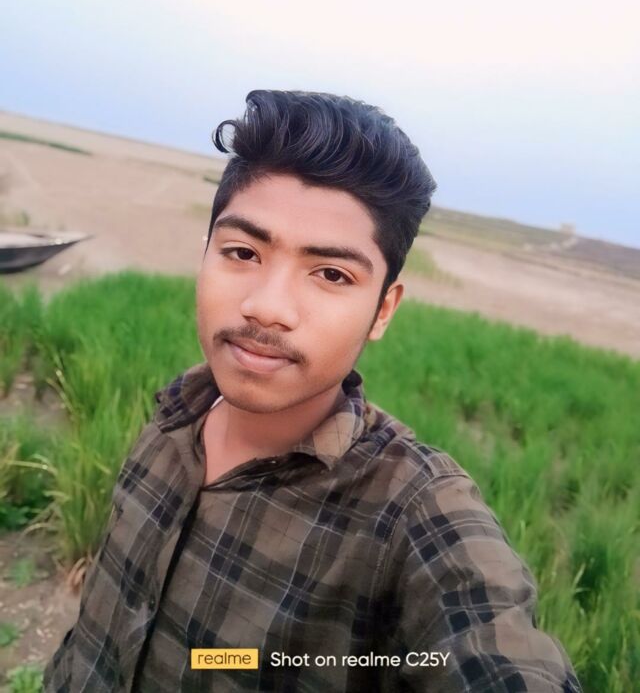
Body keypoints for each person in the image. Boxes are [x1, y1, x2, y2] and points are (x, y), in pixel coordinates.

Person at [45, 90, 581, 692]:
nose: (267, 306)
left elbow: (495, 653)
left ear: (383, 311)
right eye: (242, 252)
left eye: (331, 274)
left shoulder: (411, 516)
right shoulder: (174, 415)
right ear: (206, 254)